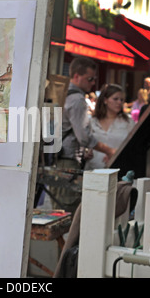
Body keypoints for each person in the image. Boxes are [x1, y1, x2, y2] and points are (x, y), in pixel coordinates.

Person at [49, 57, 116, 215]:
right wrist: (108, 150)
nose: (93, 83)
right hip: (67, 161)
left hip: (56, 157)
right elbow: (84, 137)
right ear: (77, 76)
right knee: (69, 212)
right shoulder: (77, 99)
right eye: (90, 78)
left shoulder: (61, 93)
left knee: (59, 212)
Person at [84, 84, 135, 170]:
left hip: (118, 170)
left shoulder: (128, 122)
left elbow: (133, 147)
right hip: (93, 170)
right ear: (105, 100)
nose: (119, 102)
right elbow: (84, 142)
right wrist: (86, 152)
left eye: (121, 100)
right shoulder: (92, 122)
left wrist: (116, 154)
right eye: (115, 99)